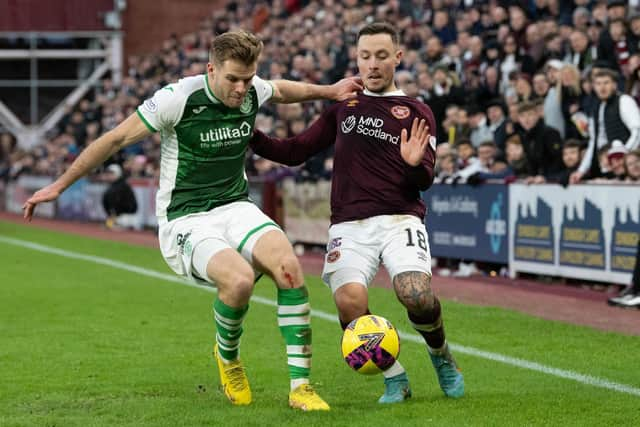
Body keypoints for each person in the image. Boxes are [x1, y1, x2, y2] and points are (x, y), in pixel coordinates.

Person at [22, 30, 362, 411]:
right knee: (239, 282)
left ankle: (301, 387)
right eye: (232, 79)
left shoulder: (253, 90)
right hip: (186, 217)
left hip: (234, 205)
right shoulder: (177, 98)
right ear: (210, 69)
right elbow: (116, 139)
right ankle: (228, 358)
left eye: (247, 79)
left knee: (288, 268)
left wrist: (330, 91)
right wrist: (60, 184)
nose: (240, 89)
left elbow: (281, 89)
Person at [250, 22, 464, 404]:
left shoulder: (417, 111)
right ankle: (394, 377)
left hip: (400, 219)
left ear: (397, 57)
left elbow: (425, 179)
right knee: (348, 301)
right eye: (365, 56)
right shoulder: (343, 107)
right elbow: (296, 150)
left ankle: (441, 354)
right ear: (357, 59)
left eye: (381, 56)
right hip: (349, 225)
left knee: (414, 295)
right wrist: (249, 134)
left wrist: (415, 164)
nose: (372, 64)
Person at [570, 69, 640, 184]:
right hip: (611, 170)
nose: (602, 87)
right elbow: (594, 142)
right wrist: (581, 171)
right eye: (598, 84)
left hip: (630, 170)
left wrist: (625, 157)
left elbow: (637, 131)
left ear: (614, 85)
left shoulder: (624, 101)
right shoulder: (597, 108)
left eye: (606, 83)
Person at [101, 164, 138, 230]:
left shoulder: (123, 186)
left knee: (113, 227)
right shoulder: (112, 186)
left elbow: (129, 205)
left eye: (112, 173)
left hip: (127, 217)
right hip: (118, 217)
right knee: (109, 225)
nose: (109, 175)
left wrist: (114, 215)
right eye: (108, 173)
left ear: (118, 174)